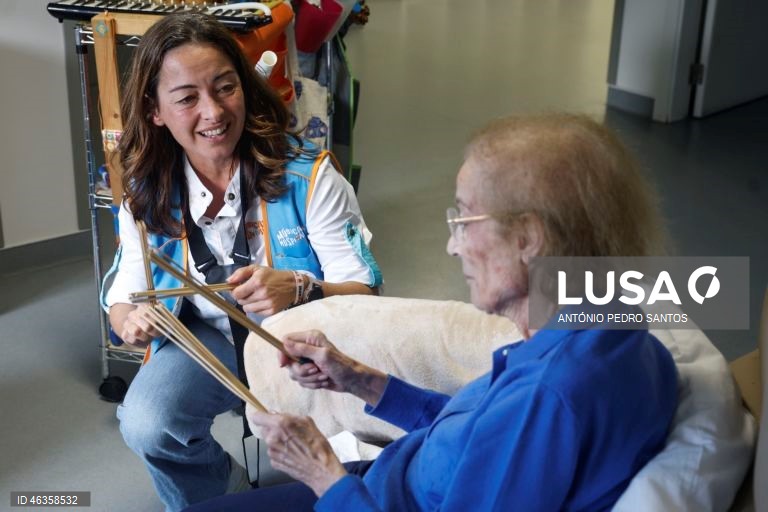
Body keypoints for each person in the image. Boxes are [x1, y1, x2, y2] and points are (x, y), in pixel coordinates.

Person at [184, 113, 678, 512]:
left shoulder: (552, 396)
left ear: (529, 238)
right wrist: (361, 380)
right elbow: (481, 441)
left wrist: (320, 471)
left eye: (463, 220)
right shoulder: (613, 335)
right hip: (385, 481)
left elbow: (511, 436)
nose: (450, 245)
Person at [100, 13, 382, 512]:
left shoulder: (309, 177)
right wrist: (133, 323)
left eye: (225, 87)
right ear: (156, 111)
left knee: (352, 454)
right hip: (209, 342)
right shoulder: (145, 199)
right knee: (147, 420)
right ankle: (221, 501)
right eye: (187, 98)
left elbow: (368, 293)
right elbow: (123, 302)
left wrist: (300, 288)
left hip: (304, 338)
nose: (213, 112)